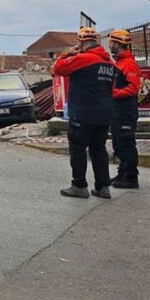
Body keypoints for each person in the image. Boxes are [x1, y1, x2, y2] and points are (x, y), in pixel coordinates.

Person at [52, 27, 119, 200]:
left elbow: (58, 68)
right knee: (99, 150)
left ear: (81, 42)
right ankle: (103, 186)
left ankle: (79, 185)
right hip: (104, 113)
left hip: (83, 113)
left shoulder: (83, 58)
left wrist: (68, 54)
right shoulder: (110, 63)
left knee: (78, 149)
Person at [108, 29, 141, 189]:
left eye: (111, 43)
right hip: (118, 110)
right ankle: (123, 171)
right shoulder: (120, 63)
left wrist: (113, 93)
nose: (110, 46)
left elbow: (133, 88)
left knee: (126, 143)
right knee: (118, 143)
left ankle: (131, 176)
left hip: (125, 110)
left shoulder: (128, 64)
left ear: (117, 43)